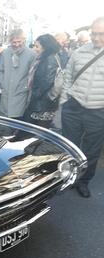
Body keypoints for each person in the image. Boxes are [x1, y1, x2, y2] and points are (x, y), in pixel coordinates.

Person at [60, 17, 104, 198]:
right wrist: (64, 101)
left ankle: (83, 181)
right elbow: (68, 77)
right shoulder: (78, 52)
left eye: (101, 34)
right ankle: (66, 177)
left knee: (92, 149)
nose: (96, 37)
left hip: (98, 110)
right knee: (69, 146)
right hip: (74, 106)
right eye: (94, 33)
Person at [24, 34, 61, 128]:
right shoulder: (49, 57)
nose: (35, 49)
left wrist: (34, 96)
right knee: (38, 129)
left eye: (37, 46)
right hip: (44, 101)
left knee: (38, 130)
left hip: (43, 103)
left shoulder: (49, 59)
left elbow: (46, 82)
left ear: (45, 46)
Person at [0, 29, 36, 119]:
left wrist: (26, 88)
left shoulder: (31, 54)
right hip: (7, 92)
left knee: (18, 119)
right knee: (6, 119)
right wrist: (2, 84)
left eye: (19, 41)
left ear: (24, 40)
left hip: (21, 93)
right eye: (13, 42)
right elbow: (1, 70)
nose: (16, 44)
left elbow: (32, 75)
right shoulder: (5, 53)